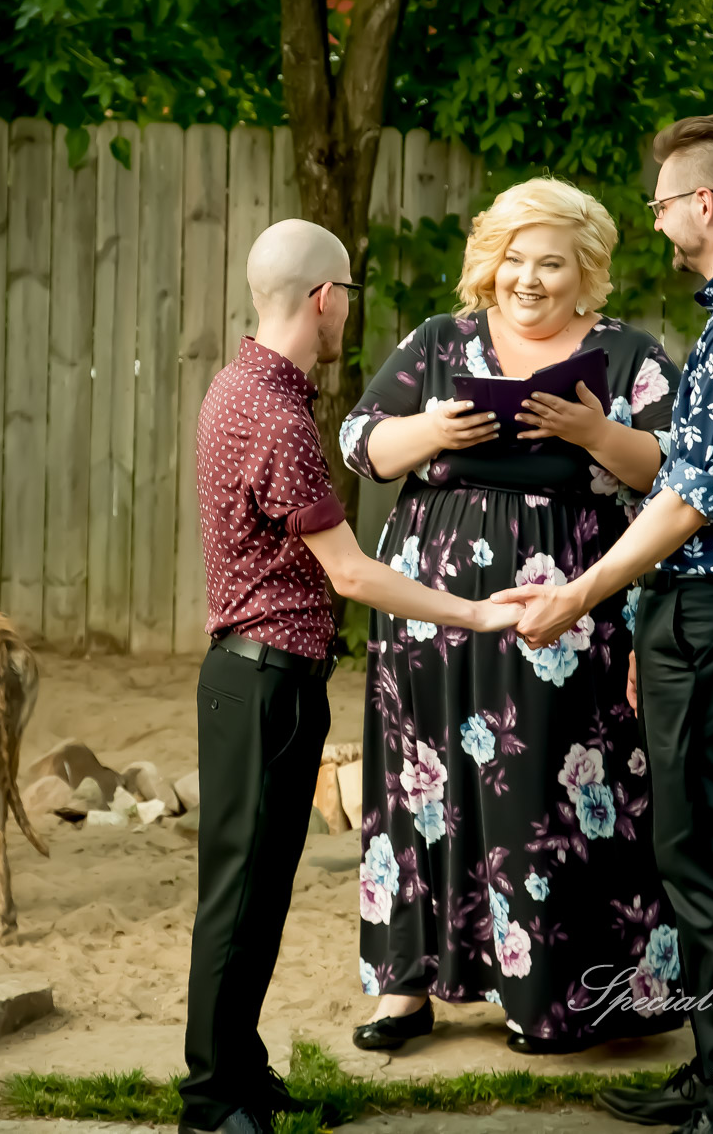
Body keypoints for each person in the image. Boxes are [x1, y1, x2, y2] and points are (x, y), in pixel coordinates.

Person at [494, 116, 713, 1134]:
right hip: (694, 613)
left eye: (666, 200)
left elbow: (688, 500)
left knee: (705, 857)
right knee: (696, 849)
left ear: (704, 204)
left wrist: (583, 595)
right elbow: (682, 472)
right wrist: (642, 616)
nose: (661, 217)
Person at [179, 218, 522, 1134]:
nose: (346, 316)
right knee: (237, 898)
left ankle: (241, 1072)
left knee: (256, 892)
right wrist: (480, 610)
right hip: (263, 683)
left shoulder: (237, 385)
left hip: (255, 679)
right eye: (347, 299)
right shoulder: (280, 415)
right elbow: (354, 573)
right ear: (325, 298)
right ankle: (212, 1101)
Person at [339, 177, 686, 1056]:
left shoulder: (626, 356)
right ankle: (404, 989)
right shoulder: (438, 341)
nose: (527, 280)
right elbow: (360, 443)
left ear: (587, 272)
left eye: (551, 264)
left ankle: (552, 999)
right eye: (513, 260)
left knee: (554, 795)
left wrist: (590, 431)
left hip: (566, 613)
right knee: (422, 786)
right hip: (431, 613)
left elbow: (675, 473)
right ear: (489, 264)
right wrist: (433, 433)